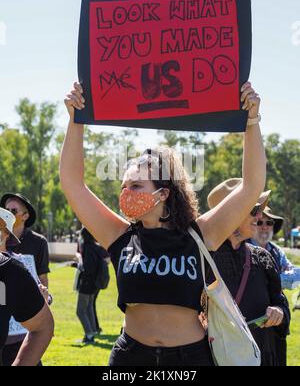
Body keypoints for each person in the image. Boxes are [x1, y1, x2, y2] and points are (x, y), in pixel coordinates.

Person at [60, 80, 266, 366]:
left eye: (136, 185)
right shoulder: (119, 235)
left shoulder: (200, 234)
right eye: (123, 186)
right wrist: (75, 119)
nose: (125, 193)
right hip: (130, 357)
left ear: (164, 193)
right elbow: (73, 184)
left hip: (189, 358)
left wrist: (252, 120)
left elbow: (251, 185)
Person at [204, 180, 290, 366]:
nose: (259, 217)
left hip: (261, 358)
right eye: (254, 210)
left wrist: (279, 312)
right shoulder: (202, 260)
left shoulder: (262, 258)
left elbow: (280, 303)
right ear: (229, 214)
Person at [0, 208, 54, 366]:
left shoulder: (14, 267)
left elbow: (38, 293)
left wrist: (43, 299)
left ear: (6, 234)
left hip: (18, 339)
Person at [251, 207, 300, 366]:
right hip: (252, 324)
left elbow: (296, 277)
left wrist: (268, 280)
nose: (264, 226)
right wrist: (281, 280)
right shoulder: (242, 249)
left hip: (277, 323)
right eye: (260, 222)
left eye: (269, 222)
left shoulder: (277, 252)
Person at [0, 193, 50, 288]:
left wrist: (45, 300)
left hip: (27, 298)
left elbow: (42, 277)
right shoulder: (0, 238)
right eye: (6, 210)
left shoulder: (39, 242)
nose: (9, 214)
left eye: (14, 211)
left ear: (25, 216)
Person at [75, 227, 109, 344]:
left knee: (80, 311)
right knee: (89, 308)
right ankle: (92, 333)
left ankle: (89, 335)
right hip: (94, 284)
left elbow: (88, 268)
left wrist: (78, 265)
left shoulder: (88, 248)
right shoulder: (97, 247)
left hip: (87, 284)